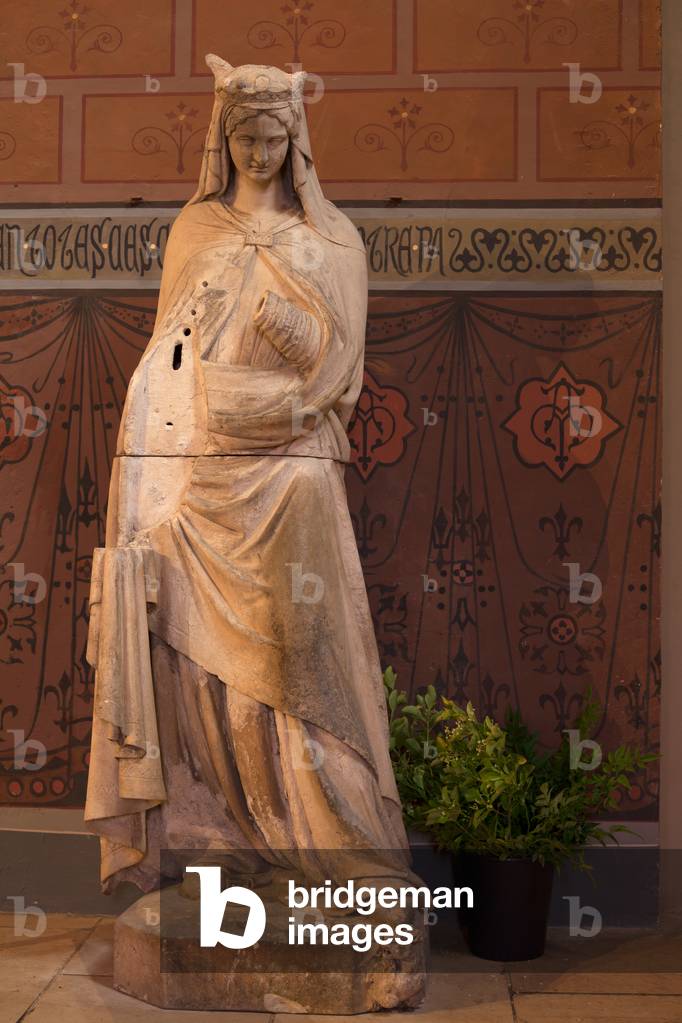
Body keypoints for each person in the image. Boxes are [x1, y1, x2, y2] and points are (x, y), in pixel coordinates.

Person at [84, 57, 412, 894]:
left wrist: (302, 382)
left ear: (295, 138)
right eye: (245, 139)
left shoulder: (332, 237)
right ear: (222, 142)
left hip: (290, 459)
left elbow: (345, 366)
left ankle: (324, 834)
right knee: (191, 649)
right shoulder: (195, 229)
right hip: (200, 460)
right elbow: (167, 351)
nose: (260, 153)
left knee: (300, 645)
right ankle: (217, 830)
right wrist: (148, 461)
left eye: (274, 137)